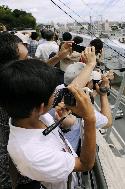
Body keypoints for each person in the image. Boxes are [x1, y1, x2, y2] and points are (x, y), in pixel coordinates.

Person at [0, 55, 98, 189]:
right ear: (40, 107)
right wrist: (89, 118)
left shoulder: (23, 111)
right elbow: (85, 164)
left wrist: (90, 65)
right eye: (53, 94)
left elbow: (71, 89)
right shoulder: (33, 155)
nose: (57, 95)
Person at [0, 32, 75, 189]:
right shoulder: (21, 100)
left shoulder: (10, 88)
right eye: (25, 59)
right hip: (21, 178)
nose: (30, 61)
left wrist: (59, 56)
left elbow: (31, 77)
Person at [54, 61, 112, 152]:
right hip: (70, 158)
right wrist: (103, 94)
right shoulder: (81, 108)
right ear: (87, 84)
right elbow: (107, 122)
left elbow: (80, 92)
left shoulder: (59, 89)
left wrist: (96, 91)